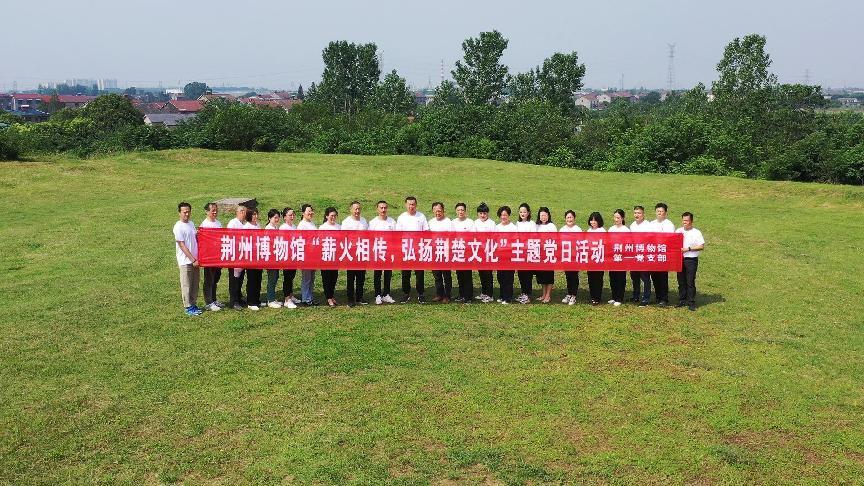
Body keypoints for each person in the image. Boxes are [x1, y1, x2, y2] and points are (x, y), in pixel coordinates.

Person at [396, 196, 429, 303]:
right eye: (409, 204)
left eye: (413, 204)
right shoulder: (401, 217)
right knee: (405, 273)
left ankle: (421, 293)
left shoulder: (421, 216)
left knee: (419, 273)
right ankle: (406, 293)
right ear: (406, 205)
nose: (411, 206)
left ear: (416, 205)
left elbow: (426, 231)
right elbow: (398, 234)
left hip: (419, 249)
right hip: (406, 249)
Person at [174, 202, 202, 316]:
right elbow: (182, 245)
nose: (186, 214)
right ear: (179, 213)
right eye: (184, 212)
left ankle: (193, 303)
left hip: (195, 259)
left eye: (188, 211)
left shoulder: (191, 223)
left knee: (195, 283)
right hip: (186, 261)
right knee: (186, 284)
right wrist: (192, 259)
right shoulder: (178, 226)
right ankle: (188, 306)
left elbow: (195, 238)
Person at [368, 200, 397, 305]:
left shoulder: (392, 222)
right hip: (377, 251)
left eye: (385, 208)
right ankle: (377, 295)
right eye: (381, 208)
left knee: (388, 274)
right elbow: (369, 238)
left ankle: (386, 294)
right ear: (377, 209)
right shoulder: (372, 222)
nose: (383, 210)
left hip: (389, 251)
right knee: (377, 274)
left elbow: (396, 237)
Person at [341, 201, 369, 307]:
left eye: (359, 209)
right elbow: (343, 237)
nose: (357, 211)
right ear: (351, 210)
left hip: (362, 251)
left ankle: (359, 297)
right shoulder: (346, 222)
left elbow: (368, 235)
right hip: (351, 251)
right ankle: (350, 299)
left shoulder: (364, 221)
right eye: (355, 209)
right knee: (351, 277)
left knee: (361, 276)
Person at [676, 212, 705, 311]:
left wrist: (688, 249)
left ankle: (691, 302)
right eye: (683, 220)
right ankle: (682, 300)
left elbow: (701, 246)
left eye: (687, 220)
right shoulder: (678, 231)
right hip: (680, 259)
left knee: (690, 281)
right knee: (681, 281)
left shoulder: (696, 232)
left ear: (691, 221)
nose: (684, 222)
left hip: (691, 259)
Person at [200, 202, 224, 312]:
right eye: (212, 210)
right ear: (207, 211)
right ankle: (208, 302)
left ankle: (214, 299)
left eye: (216, 210)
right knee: (209, 279)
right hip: (209, 257)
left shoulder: (218, 223)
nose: (215, 212)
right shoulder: (204, 225)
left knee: (216, 278)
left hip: (218, 256)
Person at [629, 205, 655, 307]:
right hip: (634, 254)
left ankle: (646, 298)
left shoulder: (648, 225)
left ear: (643, 214)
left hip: (644, 254)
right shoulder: (632, 225)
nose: (637, 215)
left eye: (639, 213)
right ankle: (636, 295)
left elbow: (651, 239)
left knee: (645, 277)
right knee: (634, 276)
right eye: (635, 213)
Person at [428, 202, 454, 303]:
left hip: (445, 251)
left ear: (443, 211)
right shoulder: (430, 222)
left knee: (446, 275)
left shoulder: (448, 222)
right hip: (434, 251)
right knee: (437, 275)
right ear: (433, 211)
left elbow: (452, 236)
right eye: (436, 211)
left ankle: (447, 295)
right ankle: (439, 294)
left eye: (439, 211)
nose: (438, 213)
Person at [651, 202, 676, 307]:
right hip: (653, 254)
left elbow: (670, 239)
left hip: (663, 254)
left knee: (662, 276)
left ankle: (664, 298)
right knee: (654, 276)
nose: (659, 213)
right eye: (658, 211)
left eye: (661, 211)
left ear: (665, 213)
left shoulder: (669, 224)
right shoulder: (651, 224)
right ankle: (658, 297)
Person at [451, 202, 475, 303]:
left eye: (462, 210)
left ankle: (468, 297)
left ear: (465, 211)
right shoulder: (453, 222)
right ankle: (461, 294)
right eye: (458, 210)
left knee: (467, 275)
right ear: (456, 211)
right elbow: (451, 236)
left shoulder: (470, 222)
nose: (460, 212)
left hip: (467, 252)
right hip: (457, 251)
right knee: (459, 274)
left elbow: (473, 236)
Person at [473, 202, 496, 303]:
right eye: (481, 213)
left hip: (488, 252)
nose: (482, 215)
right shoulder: (475, 223)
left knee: (488, 274)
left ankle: (489, 294)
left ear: (488, 213)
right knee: (481, 273)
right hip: (479, 252)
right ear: (478, 213)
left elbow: (494, 237)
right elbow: (473, 236)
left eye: (484, 213)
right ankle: (484, 292)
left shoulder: (491, 223)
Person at [227, 205, 248, 310]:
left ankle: (239, 297)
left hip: (243, 255)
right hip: (235, 256)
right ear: (237, 212)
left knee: (240, 278)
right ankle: (234, 300)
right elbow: (230, 238)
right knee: (234, 279)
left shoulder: (245, 224)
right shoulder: (233, 223)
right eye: (242, 211)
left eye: (245, 211)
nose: (244, 213)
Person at [607, 209, 630, 306]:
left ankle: (619, 298)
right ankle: (614, 296)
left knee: (620, 277)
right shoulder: (611, 229)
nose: (616, 219)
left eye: (618, 218)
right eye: (615, 217)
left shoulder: (626, 230)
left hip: (621, 257)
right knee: (613, 277)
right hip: (612, 257)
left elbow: (628, 244)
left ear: (622, 218)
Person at [495, 206, 518, 304]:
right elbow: (494, 240)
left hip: (509, 255)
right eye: (501, 215)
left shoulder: (513, 227)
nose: (503, 217)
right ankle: (502, 295)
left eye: (505, 215)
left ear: (508, 215)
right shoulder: (497, 227)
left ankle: (508, 298)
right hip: (500, 255)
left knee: (508, 276)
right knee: (500, 276)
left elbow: (516, 241)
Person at [559, 210, 582, 305]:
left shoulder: (578, 229)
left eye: (571, 217)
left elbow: (580, 243)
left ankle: (574, 295)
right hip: (566, 257)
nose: (569, 219)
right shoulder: (562, 229)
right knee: (568, 275)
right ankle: (569, 293)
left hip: (575, 257)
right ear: (565, 219)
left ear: (574, 218)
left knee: (574, 275)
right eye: (568, 217)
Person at [515, 203, 537, 304]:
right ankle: (523, 292)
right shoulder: (517, 223)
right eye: (521, 212)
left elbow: (533, 237)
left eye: (524, 212)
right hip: (520, 251)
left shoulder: (531, 223)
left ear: (528, 213)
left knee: (528, 274)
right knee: (521, 274)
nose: (522, 214)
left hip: (529, 251)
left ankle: (528, 294)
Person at [296, 203, 318, 306]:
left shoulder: (312, 223)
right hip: (306, 254)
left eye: (311, 211)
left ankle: (310, 297)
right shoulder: (302, 225)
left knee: (312, 277)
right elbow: (300, 240)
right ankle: (305, 299)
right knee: (306, 278)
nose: (310, 213)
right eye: (308, 211)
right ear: (303, 213)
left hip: (313, 254)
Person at [319, 207, 341, 307]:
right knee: (326, 277)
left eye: (335, 216)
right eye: (331, 215)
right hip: (325, 256)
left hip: (335, 256)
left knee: (334, 277)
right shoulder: (322, 227)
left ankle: (331, 295)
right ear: (327, 216)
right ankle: (328, 297)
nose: (333, 217)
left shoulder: (339, 227)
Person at [535, 207, 557, 303]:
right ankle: (543, 294)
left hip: (549, 253)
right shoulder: (537, 226)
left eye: (545, 215)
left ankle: (548, 295)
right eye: (541, 215)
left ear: (548, 216)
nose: (543, 217)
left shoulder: (551, 226)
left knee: (548, 275)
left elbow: (555, 239)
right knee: (541, 275)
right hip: (539, 253)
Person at [279, 207, 299, 309]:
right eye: (290, 215)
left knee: (292, 276)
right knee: (287, 277)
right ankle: (287, 299)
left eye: (293, 214)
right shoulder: (283, 227)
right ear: (284, 217)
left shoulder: (294, 226)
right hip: (287, 256)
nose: (292, 216)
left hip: (294, 255)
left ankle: (291, 295)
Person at [264, 209, 283, 309]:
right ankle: (270, 300)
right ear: (269, 218)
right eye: (275, 217)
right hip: (271, 258)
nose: (277, 219)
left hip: (276, 257)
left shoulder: (275, 227)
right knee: (272, 278)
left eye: (278, 217)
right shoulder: (268, 229)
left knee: (275, 277)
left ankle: (272, 298)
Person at [244, 208, 263, 311]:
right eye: (253, 214)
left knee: (258, 278)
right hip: (250, 257)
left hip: (259, 256)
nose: (255, 216)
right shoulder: (246, 226)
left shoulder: (258, 225)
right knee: (252, 279)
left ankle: (257, 299)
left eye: (256, 214)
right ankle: (251, 302)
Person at [586, 212, 606, 305]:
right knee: (590, 277)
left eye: (595, 220)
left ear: (599, 221)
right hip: (590, 258)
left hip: (599, 258)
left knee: (598, 278)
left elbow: (604, 243)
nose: (593, 222)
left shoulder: (602, 230)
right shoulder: (589, 230)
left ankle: (597, 297)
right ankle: (592, 296)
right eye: (591, 220)